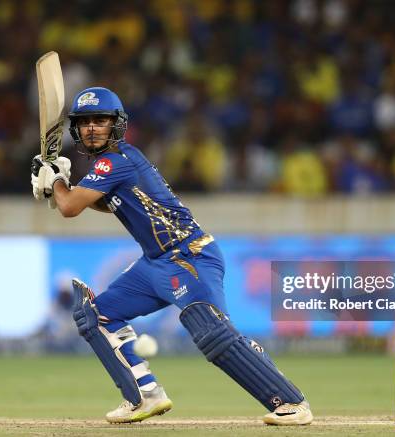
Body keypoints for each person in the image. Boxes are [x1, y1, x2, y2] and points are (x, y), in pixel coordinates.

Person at [30, 87, 312, 426]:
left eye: (100, 120)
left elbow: (70, 208)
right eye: (85, 121)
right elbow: (105, 203)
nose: (92, 128)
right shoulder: (115, 164)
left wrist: (58, 183)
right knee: (95, 315)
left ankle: (292, 403)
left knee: (211, 332)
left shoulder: (115, 160)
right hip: (155, 263)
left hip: (188, 256)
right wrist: (59, 187)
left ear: (116, 124)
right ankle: (144, 395)